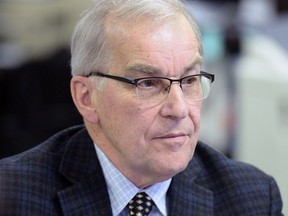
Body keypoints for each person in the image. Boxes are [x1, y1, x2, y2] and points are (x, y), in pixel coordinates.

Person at [0, 0, 283, 215]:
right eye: (148, 83)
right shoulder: (12, 195)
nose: (179, 109)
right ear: (86, 97)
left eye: (189, 80)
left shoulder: (252, 198)